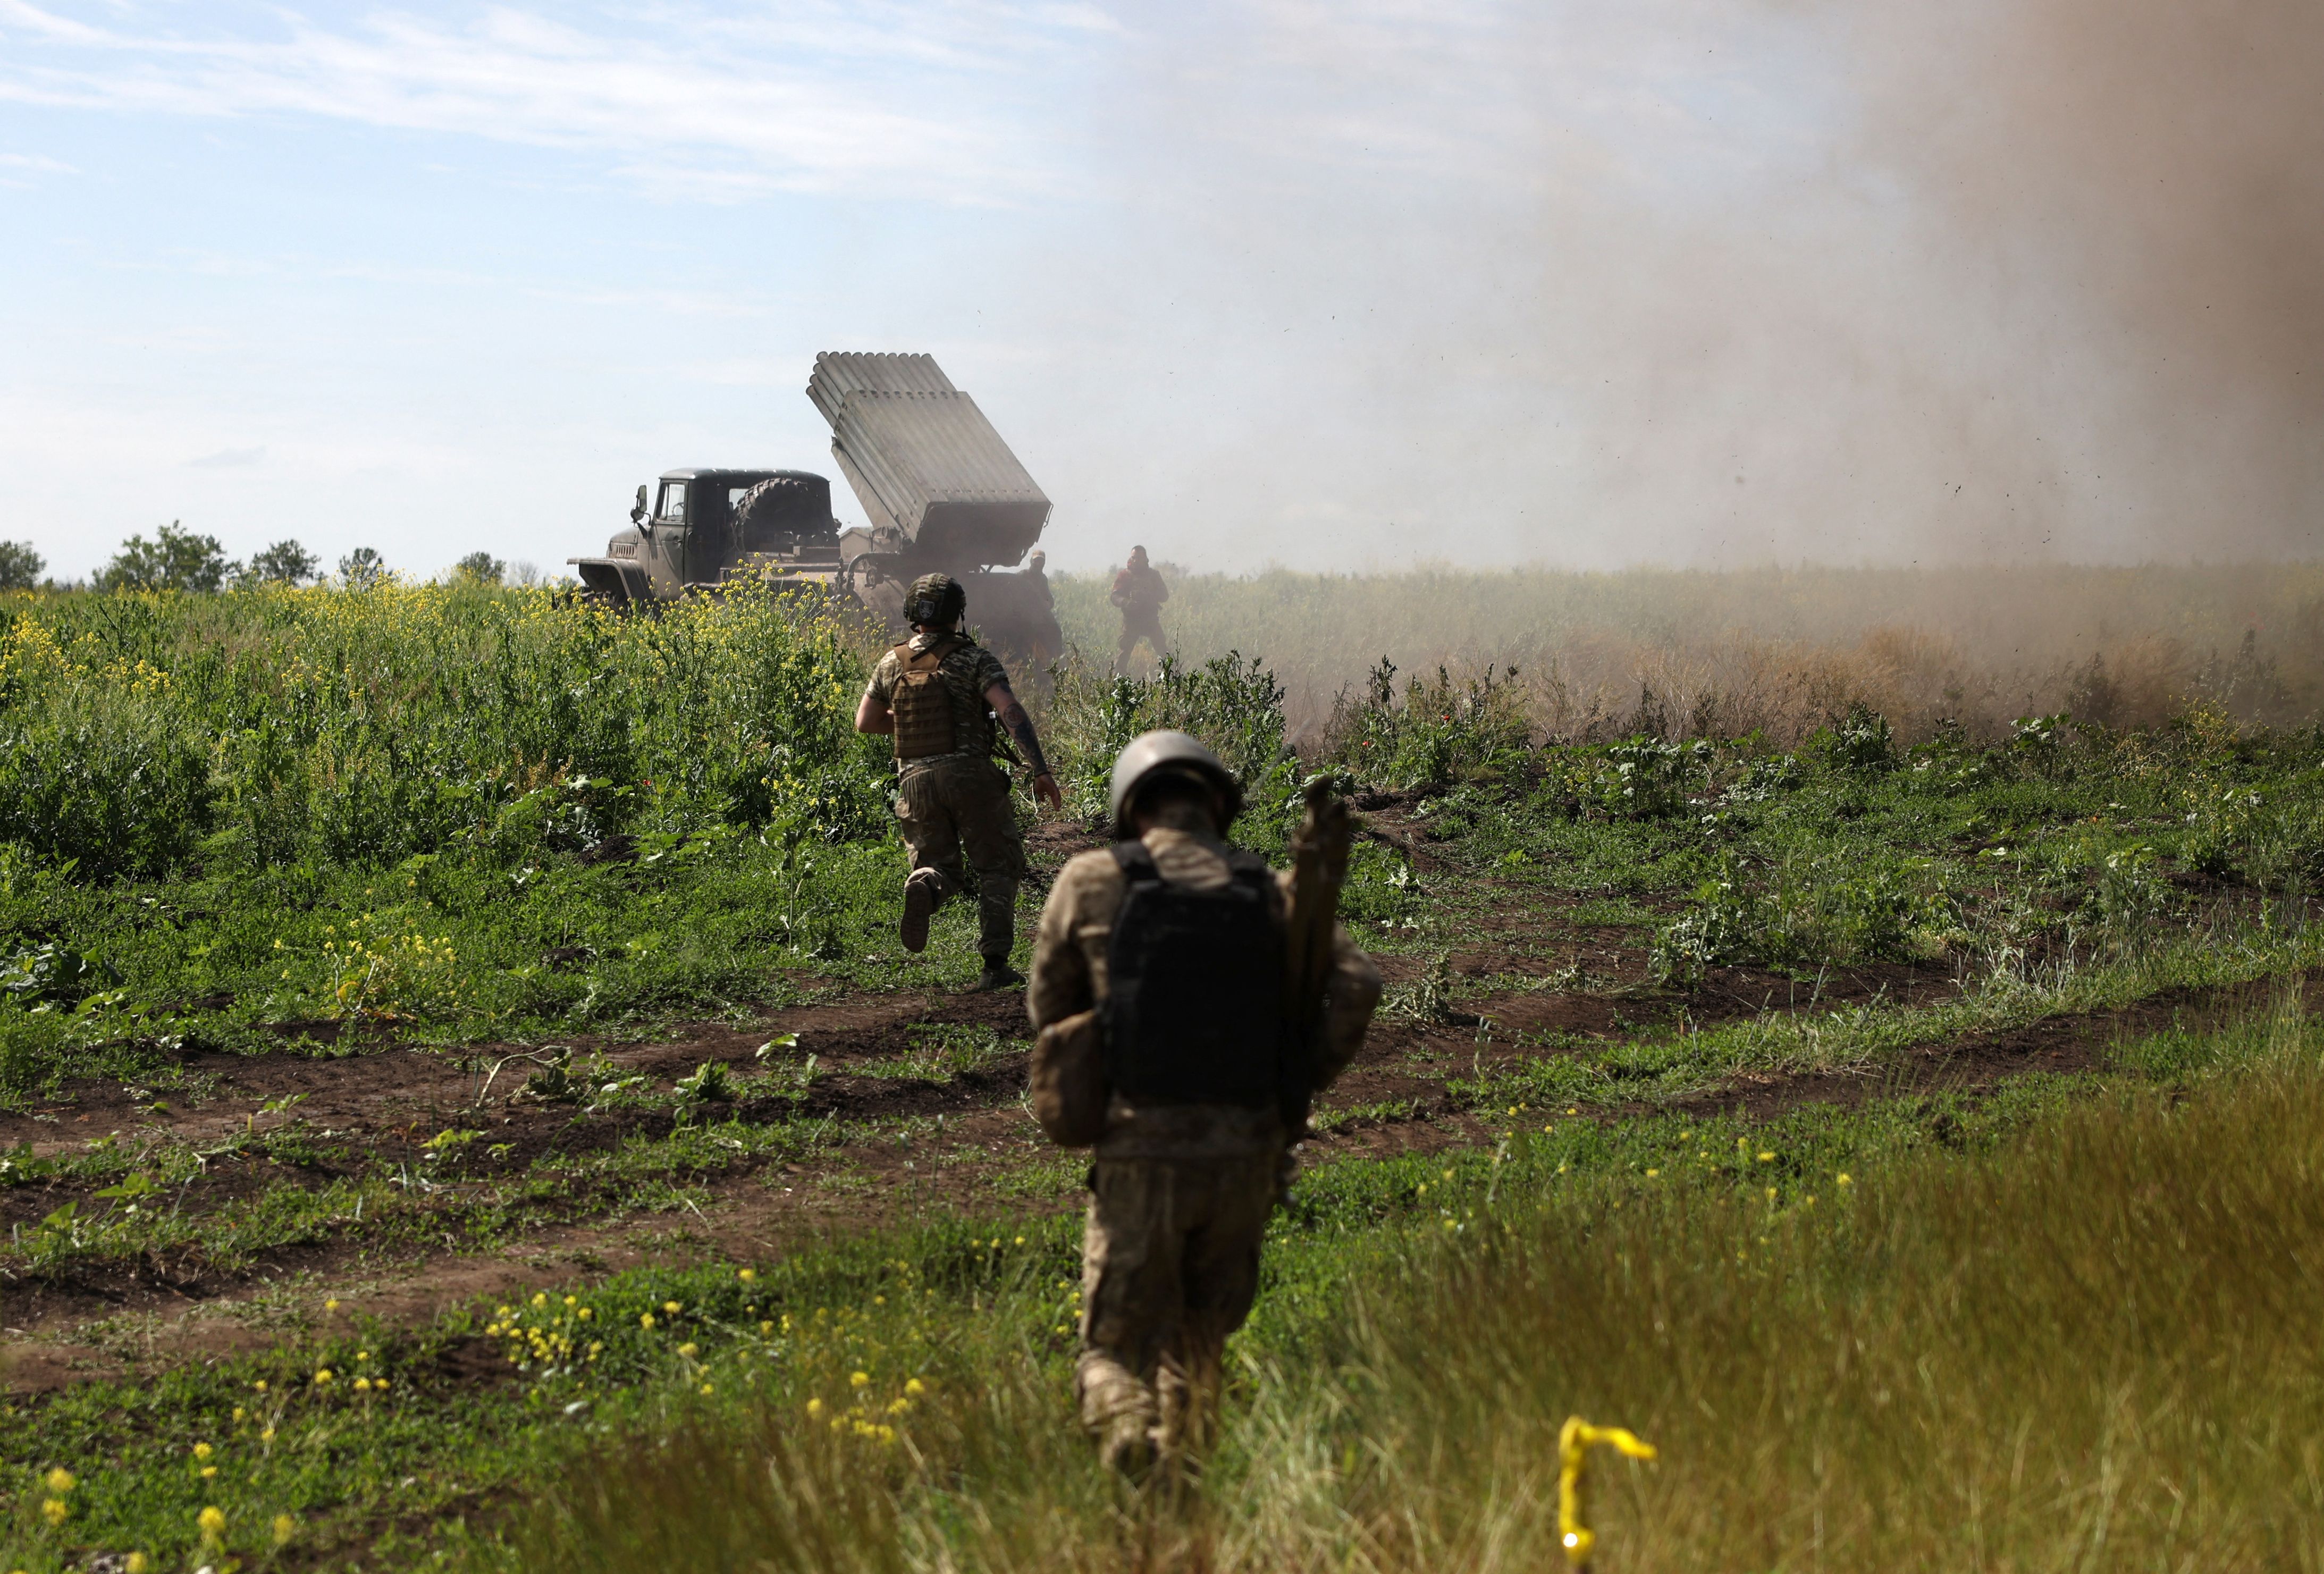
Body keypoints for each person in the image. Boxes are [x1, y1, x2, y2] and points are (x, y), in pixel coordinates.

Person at [1029, 731, 1382, 1478]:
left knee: (1112, 1351)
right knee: (1197, 1347)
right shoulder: (1275, 891)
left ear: (1131, 806)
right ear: (1217, 806)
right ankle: (1184, 1491)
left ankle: (1128, 1433)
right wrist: (1302, 1072)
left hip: (1140, 1155)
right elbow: (1356, 984)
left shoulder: (1090, 881)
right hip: (1246, 1156)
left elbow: (1046, 1010)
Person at [856, 573, 1064, 991]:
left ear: (912, 614)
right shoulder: (975, 659)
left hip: (914, 781)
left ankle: (927, 885)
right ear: (958, 614)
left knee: (942, 867)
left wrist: (920, 723)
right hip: (971, 776)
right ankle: (994, 964)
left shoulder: (890, 662)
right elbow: (1009, 710)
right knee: (997, 865)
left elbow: (866, 722)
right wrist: (1040, 768)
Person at [1109, 545, 1169, 669]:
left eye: (1139, 558)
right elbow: (1115, 596)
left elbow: (1164, 596)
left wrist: (1148, 596)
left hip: (1150, 620)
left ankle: (1172, 678)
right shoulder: (1125, 575)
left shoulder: (1154, 575)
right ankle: (1118, 681)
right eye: (1134, 558)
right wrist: (1126, 602)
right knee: (1124, 653)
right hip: (1131, 621)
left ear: (1145, 559)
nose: (1136, 561)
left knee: (1163, 651)